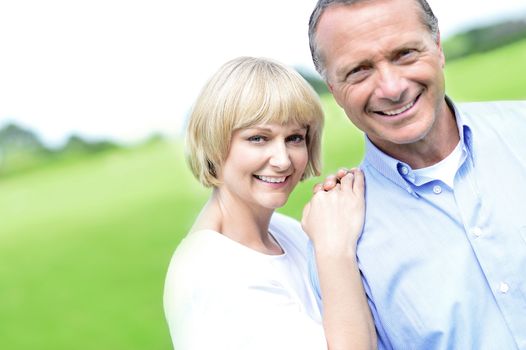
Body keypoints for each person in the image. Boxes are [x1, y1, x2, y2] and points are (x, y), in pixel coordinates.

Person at [307, 0, 526, 349]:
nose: (392, 88)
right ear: (333, 89)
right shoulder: (338, 243)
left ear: (437, 47)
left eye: (405, 53)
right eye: (359, 70)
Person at [163, 56, 376, 349]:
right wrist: (335, 249)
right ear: (213, 141)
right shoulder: (214, 273)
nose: (283, 159)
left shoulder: (286, 231)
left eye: (294, 138)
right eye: (259, 138)